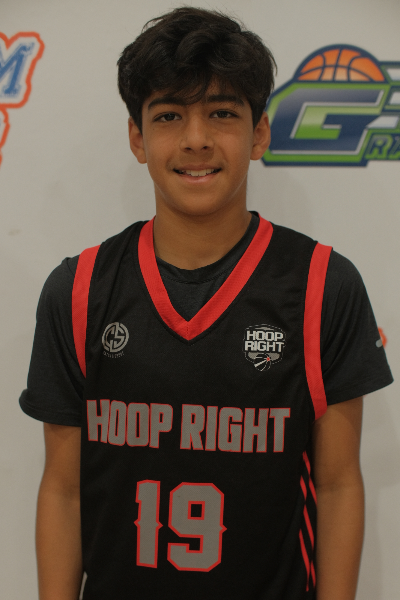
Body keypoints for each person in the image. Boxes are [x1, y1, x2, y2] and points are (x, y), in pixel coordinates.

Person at [20, 7, 393, 600]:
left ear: (259, 133)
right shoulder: (79, 290)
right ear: (138, 138)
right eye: (169, 115)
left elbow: (340, 484)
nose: (196, 139)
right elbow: (63, 491)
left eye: (222, 113)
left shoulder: (324, 285)